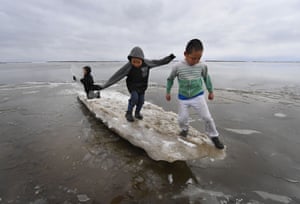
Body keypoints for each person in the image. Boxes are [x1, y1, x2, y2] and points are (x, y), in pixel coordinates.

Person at [165, 39, 224, 149]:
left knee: (207, 117)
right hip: (183, 98)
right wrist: (168, 92)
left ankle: (214, 136)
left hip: (198, 96)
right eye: (193, 58)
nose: (196, 61)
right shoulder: (177, 67)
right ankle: (184, 130)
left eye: (199, 58)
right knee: (182, 119)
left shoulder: (202, 66)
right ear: (185, 54)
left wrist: (210, 91)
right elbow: (170, 79)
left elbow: (206, 78)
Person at [100, 46, 175, 122]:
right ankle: (128, 113)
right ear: (131, 60)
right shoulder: (128, 66)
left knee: (141, 101)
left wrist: (169, 58)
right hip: (132, 86)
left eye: (138, 62)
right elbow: (117, 76)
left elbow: (159, 62)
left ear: (142, 60)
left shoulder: (147, 63)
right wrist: (103, 86)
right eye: (134, 62)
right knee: (134, 99)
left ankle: (137, 113)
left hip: (142, 87)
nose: (136, 64)